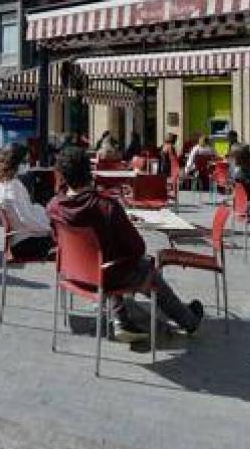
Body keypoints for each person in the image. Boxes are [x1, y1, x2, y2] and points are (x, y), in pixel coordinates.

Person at [46, 146, 203, 342]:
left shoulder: (54, 207)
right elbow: (137, 247)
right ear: (89, 171)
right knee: (145, 266)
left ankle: (122, 317)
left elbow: (57, 241)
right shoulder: (106, 206)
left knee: (114, 256)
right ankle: (188, 320)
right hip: (108, 276)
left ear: (61, 175)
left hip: (74, 274)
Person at [0, 145, 54, 260]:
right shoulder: (14, 186)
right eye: (25, 161)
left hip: (19, 240)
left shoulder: (2, 184)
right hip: (26, 243)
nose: (28, 164)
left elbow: (25, 212)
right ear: (16, 163)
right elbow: (26, 219)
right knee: (68, 242)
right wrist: (50, 229)